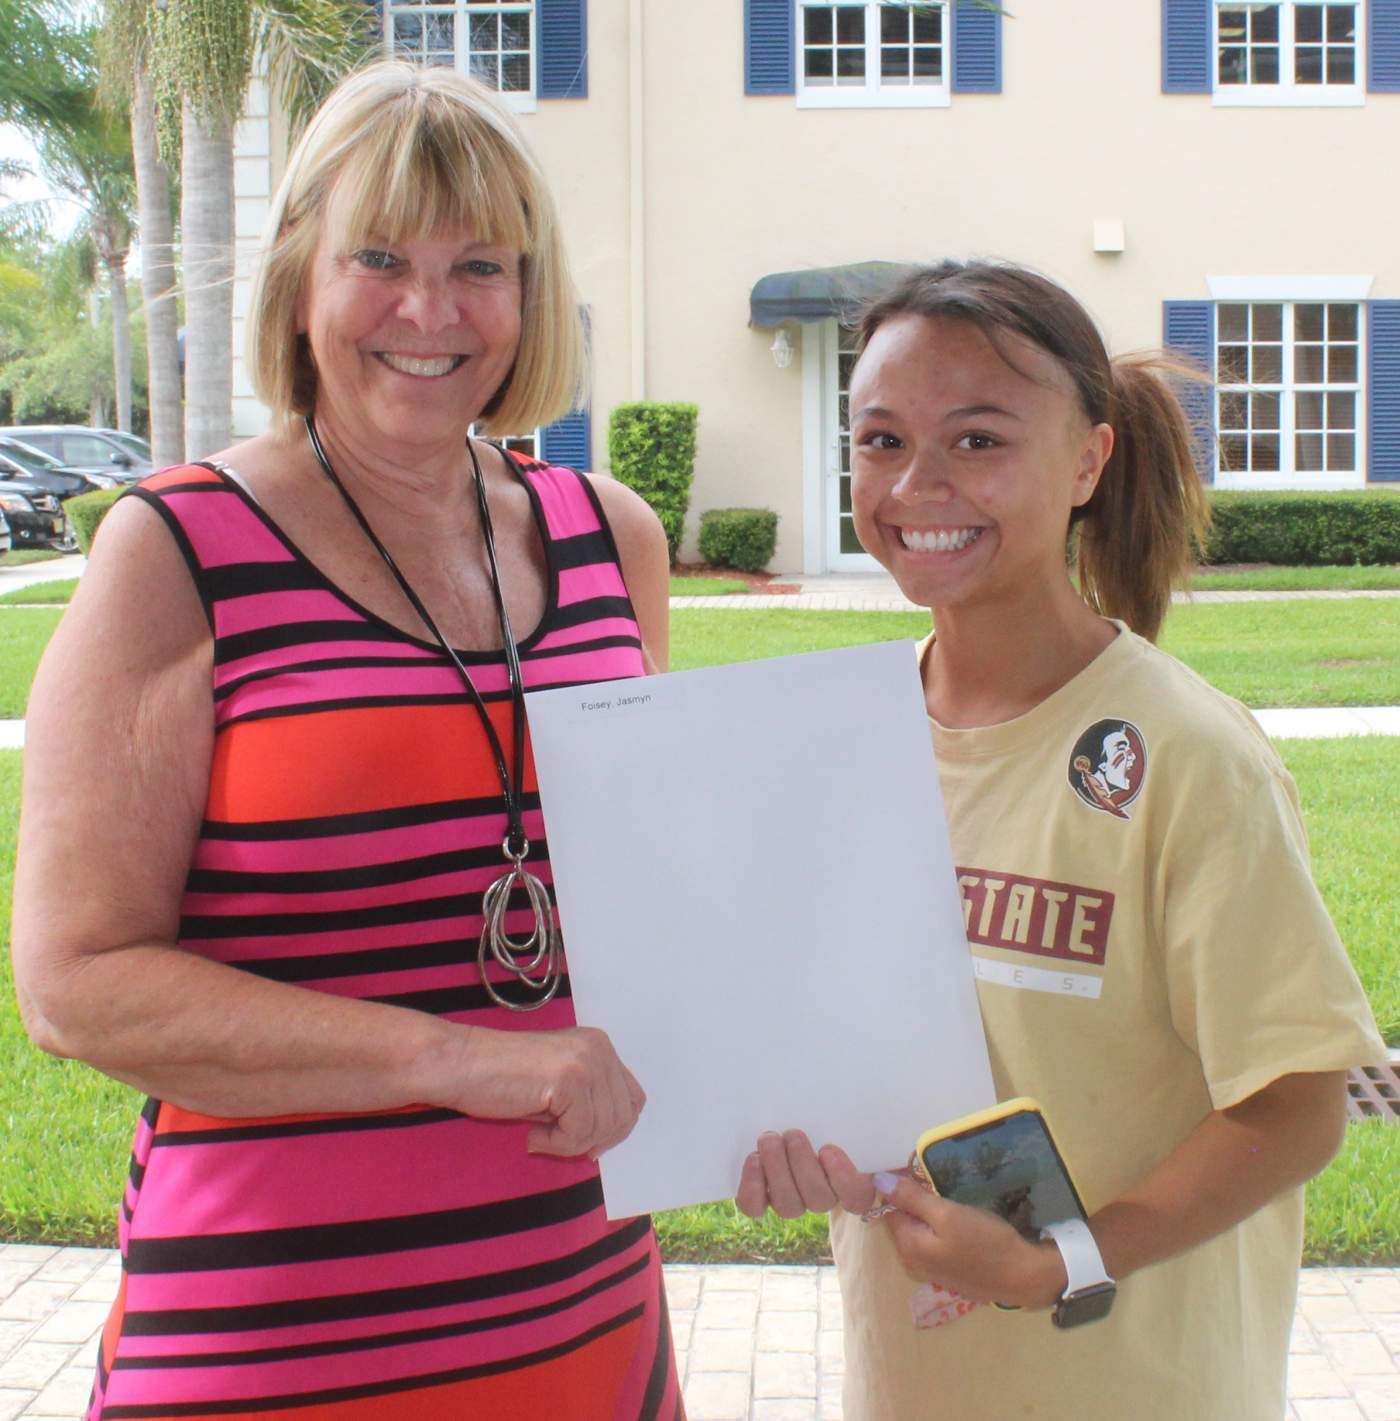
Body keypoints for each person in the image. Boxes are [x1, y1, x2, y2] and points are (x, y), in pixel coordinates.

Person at [12, 62, 682, 1420]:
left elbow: (649, 914)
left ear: (530, 292)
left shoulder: (611, 538)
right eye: (380, 256)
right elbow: (74, 985)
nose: (430, 310)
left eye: (479, 265)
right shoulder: (175, 550)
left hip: (581, 1304)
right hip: (276, 1333)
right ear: (300, 277)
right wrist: (453, 1058)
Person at [734, 260, 1385, 1420]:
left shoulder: (1188, 753)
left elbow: (1296, 1106)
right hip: (917, 1384)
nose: (915, 482)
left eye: (976, 440)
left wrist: (1062, 1258)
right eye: (878, 438)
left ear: (1087, 459)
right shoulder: (838, 733)